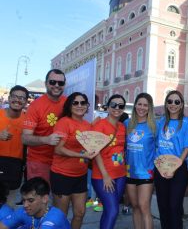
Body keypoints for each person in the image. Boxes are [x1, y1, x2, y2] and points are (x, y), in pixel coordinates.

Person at [50, 92, 93, 229]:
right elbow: (58, 149)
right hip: (62, 175)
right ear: (69, 106)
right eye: (75, 103)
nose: (79, 105)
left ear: (87, 106)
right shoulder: (64, 122)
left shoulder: (88, 125)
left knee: (80, 213)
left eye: (83, 103)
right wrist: (82, 156)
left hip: (80, 175)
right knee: (61, 216)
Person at [154, 90, 188, 229]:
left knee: (174, 206)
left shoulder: (185, 123)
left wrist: (174, 167)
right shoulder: (161, 122)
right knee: (163, 205)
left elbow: (187, 148)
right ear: (166, 104)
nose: (173, 104)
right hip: (161, 168)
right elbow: (156, 145)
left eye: (177, 102)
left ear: (181, 104)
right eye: (170, 101)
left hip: (178, 169)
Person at [22, 69, 67, 183]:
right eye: (52, 82)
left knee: (59, 200)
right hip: (39, 162)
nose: (56, 85)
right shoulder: (35, 106)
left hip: (62, 161)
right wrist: (46, 139)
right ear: (46, 83)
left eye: (60, 83)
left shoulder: (69, 103)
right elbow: (25, 138)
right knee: (39, 199)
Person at [91, 94, 127, 229]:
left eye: (120, 106)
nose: (117, 108)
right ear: (107, 106)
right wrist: (105, 175)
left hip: (120, 175)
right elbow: (96, 151)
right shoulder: (99, 125)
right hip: (102, 175)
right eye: (113, 105)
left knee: (109, 210)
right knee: (113, 211)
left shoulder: (122, 126)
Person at [125, 93, 156, 229]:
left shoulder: (155, 126)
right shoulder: (127, 124)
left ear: (149, 108)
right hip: (130, 172)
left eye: (145, 105)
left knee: (144, 207)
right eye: (139, 104)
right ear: (135, 105)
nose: (142, 107)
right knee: (135, 206)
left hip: (146, 172)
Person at [0, 177, 71, 229]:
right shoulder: (24, 211)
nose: (25, 205)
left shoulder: (53, 219)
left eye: (31, 200)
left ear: (45, 199)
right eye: (23, 200)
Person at [0, 85, 29, 207]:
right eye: (15, 96)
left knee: (9, 204)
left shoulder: (27, 120)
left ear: (26, 101)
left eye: (22, 98)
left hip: (15, 165)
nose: (18, 100)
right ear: (9, 97)